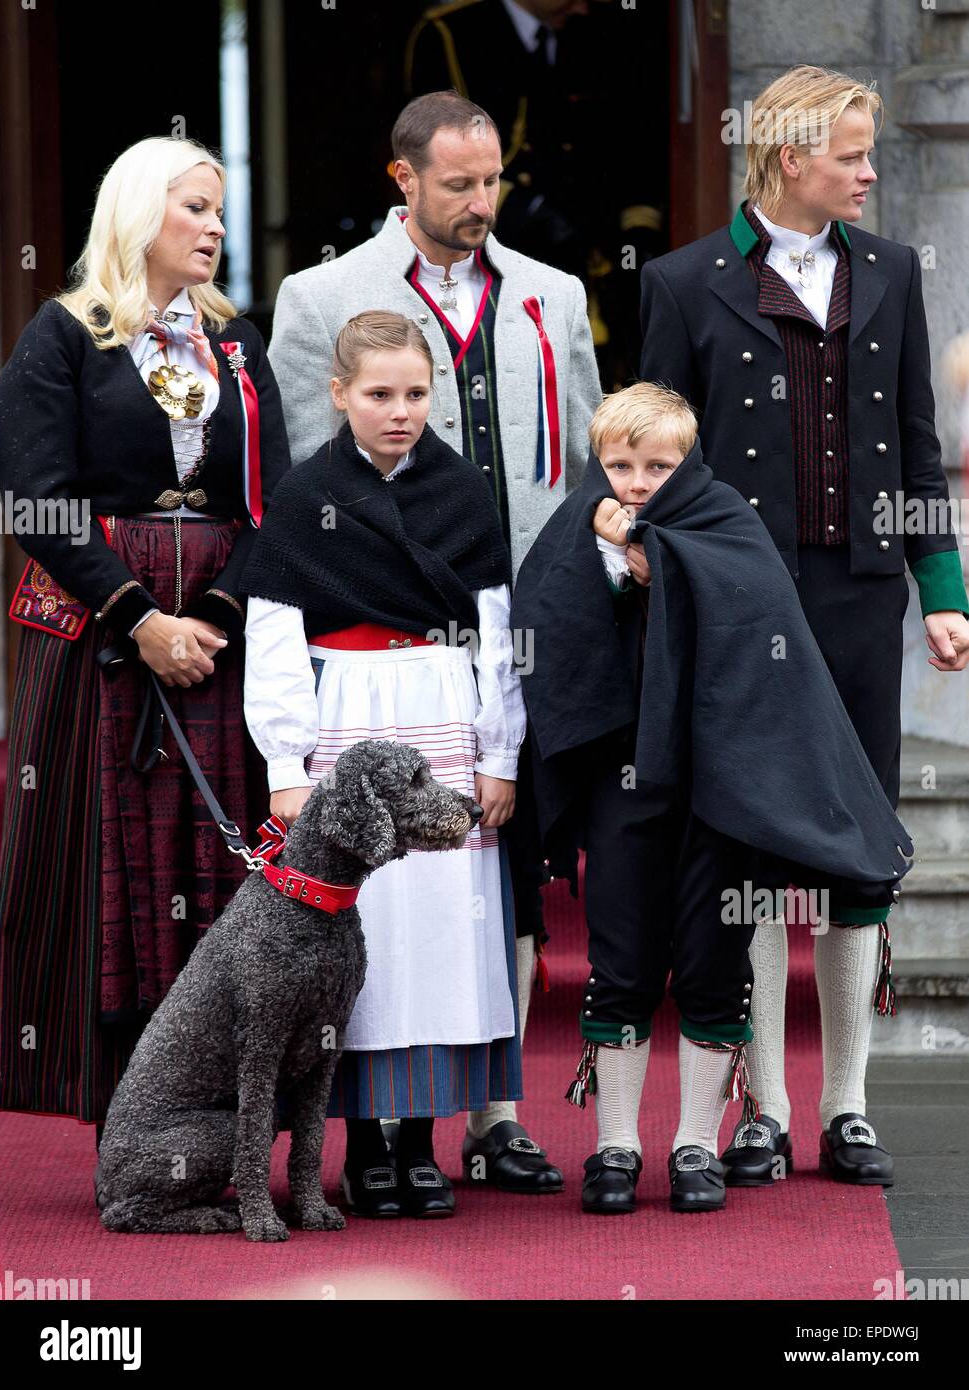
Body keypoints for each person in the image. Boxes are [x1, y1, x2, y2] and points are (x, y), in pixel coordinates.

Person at [634, 65, 969, 1187]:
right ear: (788, 158)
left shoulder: (889, 272)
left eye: (873, 151)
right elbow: (657, 458)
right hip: (741, 610)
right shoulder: (684, 283)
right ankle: (766, 1108)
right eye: (852, 154)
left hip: (862, 597)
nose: (871, 172)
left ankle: (848, 1104)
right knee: (752, 846)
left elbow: (918, 444)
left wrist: (946, 592)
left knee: (859, 849)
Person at [267, 89, 603, 1192]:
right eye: (456, 183)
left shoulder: (552, 295)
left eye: (491, 179)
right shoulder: (321, 298)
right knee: (400, 889)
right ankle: (379, 1131)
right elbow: (305, 493)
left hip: (519, 628)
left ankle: (491, 1112)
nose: (479, 201)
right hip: (379, 658)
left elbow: (585, 457)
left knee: (500, 869)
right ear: (401, 178)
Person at [513, 382, 913, 1214]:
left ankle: (696, 1144)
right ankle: (615, 1147)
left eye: (657, 466)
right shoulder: (572, 528)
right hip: (622, 783)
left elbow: (759, 626)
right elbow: (546, 628)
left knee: (712, 960)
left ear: (688, 463)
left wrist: (660, 558)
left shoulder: (725, 519)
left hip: (719, 786)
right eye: (619, 464)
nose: (634, 481)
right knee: (619, 962)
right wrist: (610, 565)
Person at [0, 138, 290, 1137]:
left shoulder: (237, 343)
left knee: (209, 852)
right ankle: (111, 1095)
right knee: (100, 856)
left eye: (220, 210)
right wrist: (139, 617)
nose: (214, 226)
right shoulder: (62, 335)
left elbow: (272, 505)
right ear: (137, 210)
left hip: (213, 630)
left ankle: (212, 1098)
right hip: (94, 633)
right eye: (195, 207)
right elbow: (36, 502)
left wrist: (209, 618)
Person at [242, 311, 527, 1218]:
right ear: (338, 395)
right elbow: (275, 636)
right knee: (369, 931)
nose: (398, 411)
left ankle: (422, 1146)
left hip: (441, 708)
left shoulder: (465, 491)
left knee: (439, 930)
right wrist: (286, 761)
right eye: (377, 395)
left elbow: (495, 632)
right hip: (349, 716)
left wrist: (502, 751)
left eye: (414, 394)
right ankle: (364, 1146)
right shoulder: (303, 496)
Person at [403, 0, 668, 387]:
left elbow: (630, 143)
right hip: (499, 246)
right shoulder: (451, 33)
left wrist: (638, 228)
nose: (582, 7)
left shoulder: (596, 31)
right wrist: (528, 212)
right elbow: (432, 157)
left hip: (597, 256)